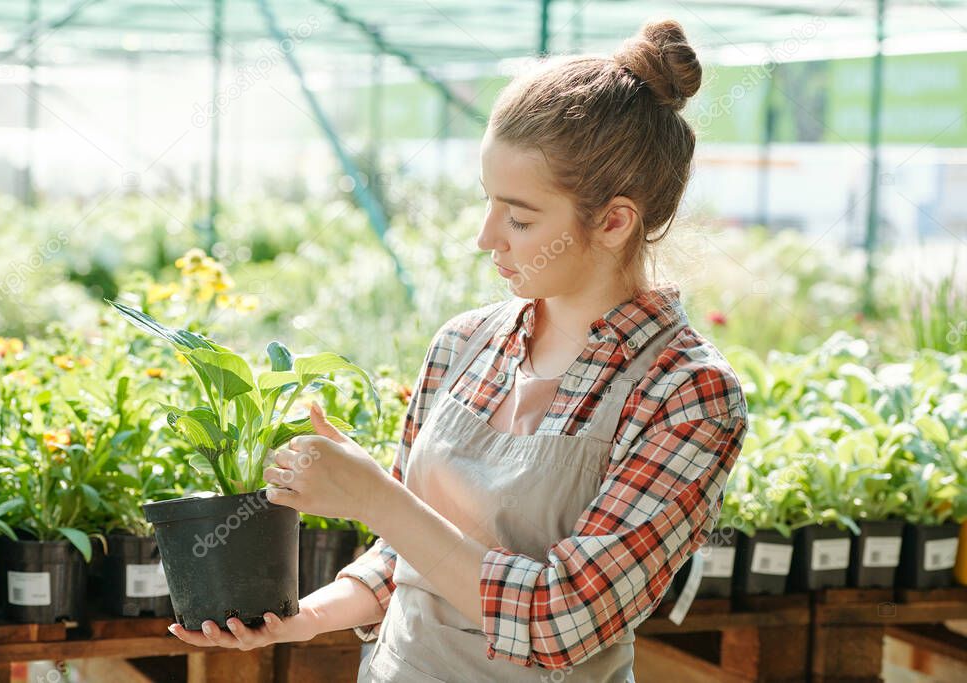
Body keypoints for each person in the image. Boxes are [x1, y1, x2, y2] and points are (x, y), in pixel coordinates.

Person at [169, 17, 748, 682]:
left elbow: (560, 617)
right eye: (487, 202)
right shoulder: (465, 345)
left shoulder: (685, 392)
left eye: (520, 216)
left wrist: (373, 494)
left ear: (614, 221)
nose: (485, 237)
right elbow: (404, 555)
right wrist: (299, 617)